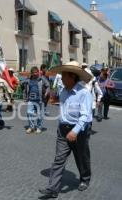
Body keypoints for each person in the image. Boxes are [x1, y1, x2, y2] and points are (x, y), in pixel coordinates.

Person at [39, 61, 93, 199]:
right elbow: (63, 109)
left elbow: (85, 115)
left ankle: (85, 178)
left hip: (79, 131)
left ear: (72, 76)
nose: (61, 78)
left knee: (81, 157)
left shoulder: (84, 93)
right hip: (63, 130)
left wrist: (75, 131)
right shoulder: (63, 91)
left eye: (63, 75)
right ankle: (53, 188)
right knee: (59, 159)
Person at [23, 66, 50, 134]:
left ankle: (39, 127)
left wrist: (46, 93)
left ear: (38, 72)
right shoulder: (28, 80)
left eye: (36, 72)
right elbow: (25, 88)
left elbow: (48, 86)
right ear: (31, 73)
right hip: (31, 99)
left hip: (40, 100)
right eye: (34, 72)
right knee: (29, 113)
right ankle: (31, 127)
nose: (35, 74)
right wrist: (25, 97)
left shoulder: (42, 78)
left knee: (40, 114)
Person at [81, 63, 103, 129]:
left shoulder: (93, 80)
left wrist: (98, 101)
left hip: (90, 104)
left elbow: (100, 93)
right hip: (81, 104)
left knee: (88, 122)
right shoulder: (79, 79)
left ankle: (86, 131)